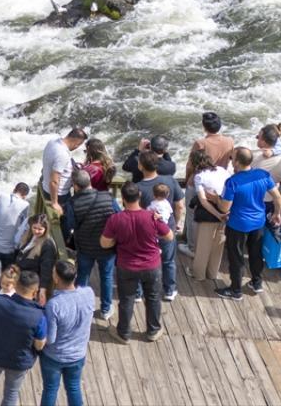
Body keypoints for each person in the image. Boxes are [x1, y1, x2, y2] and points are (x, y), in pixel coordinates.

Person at [101, 183, 170, 342]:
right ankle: (153, 331)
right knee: (153, 298)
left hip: (127, 265)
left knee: (126, 299)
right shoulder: (152, 216)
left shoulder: (115, 219)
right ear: (139, 196)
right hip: (151, 264)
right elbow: (170, 236)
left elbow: (105, 243)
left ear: (123, 199)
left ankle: (124, 333)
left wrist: (116, 241)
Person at [214, 147, 281, 301]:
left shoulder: (232, 182)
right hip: (258, 222)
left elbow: (225, 207)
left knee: (236, 258)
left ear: (237, 162)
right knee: (256, 254)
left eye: (232, 159)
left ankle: (236, 290)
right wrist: (277, 213)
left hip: (238, 225)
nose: (231, 162)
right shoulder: (263, 175)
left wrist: (216, 198)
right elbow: (277, 197)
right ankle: (257, 283)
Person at [0, 268, 46, 406]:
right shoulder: (39, 316)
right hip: (18, 361)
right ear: (35, 291)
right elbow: (40, 344)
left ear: (16, 285)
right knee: (11, 393)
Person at [40, 261, 94, 406]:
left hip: (54, 356)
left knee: (50, 390)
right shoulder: (89, 293)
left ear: (56, 279)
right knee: (74, 388)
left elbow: (50, 339)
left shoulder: (54, 305)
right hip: (78, 355)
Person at [137, 152, 185, 301]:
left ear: (140, 166)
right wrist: (176, 223)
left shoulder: (138, 187)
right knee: (169, 261)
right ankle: (169, 290)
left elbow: (136, 211)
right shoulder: (170, 180)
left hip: (147, 230)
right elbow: (179, 206)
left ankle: (140, 292)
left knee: (143, 260)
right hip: (167, 227)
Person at [191, 152, 231, 283]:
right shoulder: (222, 170)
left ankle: (199, 275)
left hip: (210, 214)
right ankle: (212, 273)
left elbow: (203, 201)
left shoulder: (199, 177)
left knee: (203, 246)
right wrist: (223, 213)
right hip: (226, 211)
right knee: (218, 245)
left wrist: (217, 214)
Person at [0, 183, 31, 298]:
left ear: (14, 189)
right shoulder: (25, 204)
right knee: (6, 273)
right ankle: (2, 297)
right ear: (25, 195)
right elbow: (23, 224)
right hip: (7, 248)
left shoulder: (2, 196)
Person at [42, 127, 86, 242]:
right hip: (59, 194)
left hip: (46, 186)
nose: (77, 147)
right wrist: (55, 202)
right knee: (66, 221)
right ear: (76, 141)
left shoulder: (53, 142)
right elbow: (54, 180)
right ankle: (62, 244)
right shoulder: (62, 154)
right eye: (79, 144)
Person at [15, 214, 58, 305]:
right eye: (34, 227)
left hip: (31, 283)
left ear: (46, 229)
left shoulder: (47, 245)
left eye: (40, 229)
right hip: (22, 278)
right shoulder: (30, 235)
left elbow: (46, 269)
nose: (36, 231)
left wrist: (42, 290)